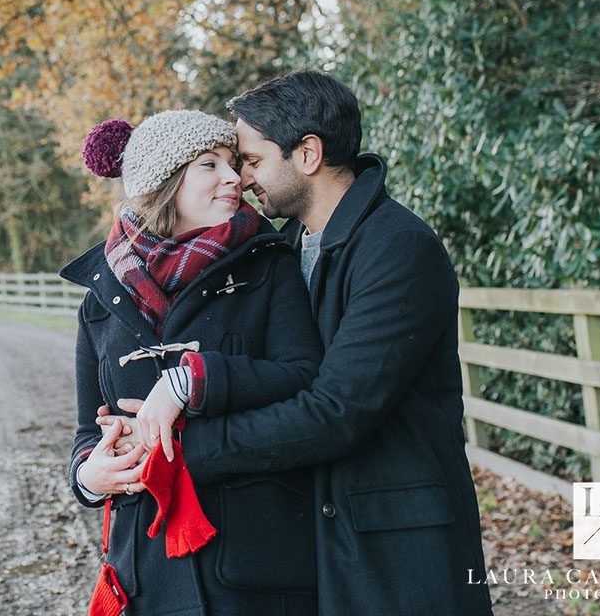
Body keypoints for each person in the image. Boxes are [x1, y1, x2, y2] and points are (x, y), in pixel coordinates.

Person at [108, 71, 494, 616]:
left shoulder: (398, 248)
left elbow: (336, 409)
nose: (241, 178)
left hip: (398, 543)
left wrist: (181, 450)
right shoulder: (282, 247)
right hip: (321, 539)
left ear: (307, 153)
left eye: (253, 160)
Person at [60, 110, 326, 616]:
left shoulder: (269, 265)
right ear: (164, 181)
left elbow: (304, 376)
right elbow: (85, 433)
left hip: (256, 568)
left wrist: (192, 382)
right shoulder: (101, 297)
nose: (235, 177)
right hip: (145, 574)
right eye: (210, 164)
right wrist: (89, 479)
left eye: (233, 162)